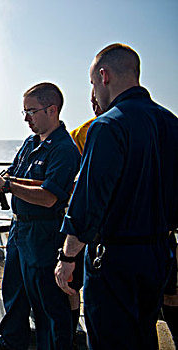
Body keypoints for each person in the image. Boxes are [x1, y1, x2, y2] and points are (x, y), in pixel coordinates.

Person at [55, 43, 178, 350]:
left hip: (114, 262)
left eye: (93, 84)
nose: (94, 93)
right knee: (143, 335)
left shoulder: (108, 125)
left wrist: (68, 257)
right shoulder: (171, 124)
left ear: (104, 75)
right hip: (159, 256)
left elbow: (87, 203)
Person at [0, 82, 81, 349]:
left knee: (47, 303)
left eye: (31, 112)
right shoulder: (31, 142)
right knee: (15, 292)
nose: (26, 118)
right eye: (24, 112)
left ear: (52, 110)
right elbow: (12, 173)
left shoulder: (64, 149)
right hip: (20, 232)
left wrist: (8, 186)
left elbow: (49, 197)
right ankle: (12, 342)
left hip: (44, 235)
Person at [67, 91, 104, 345]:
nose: (93, 101)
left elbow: (88, 196)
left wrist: (67, 254)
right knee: (72, 286)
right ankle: (72, 331)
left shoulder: (100, 131)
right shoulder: (81, 134)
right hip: (90, 236)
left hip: (96, 237)